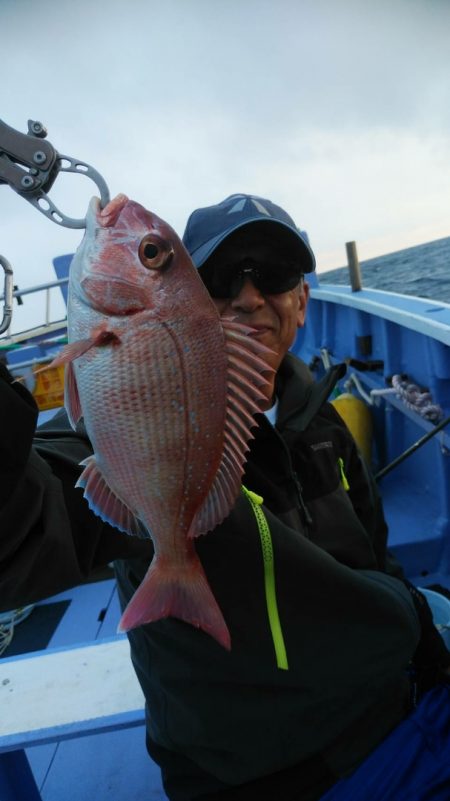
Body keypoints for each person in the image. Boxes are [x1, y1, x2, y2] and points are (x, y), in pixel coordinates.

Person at [0, 193, 449, 801]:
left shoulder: (326, 425)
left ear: (303, 300)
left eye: (273, 274)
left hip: (393, 712)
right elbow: (22, 527)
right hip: (254, 779)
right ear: (196, 304)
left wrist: (414, 623)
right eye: (221, 277)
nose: (248, 295)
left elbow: (376, 557)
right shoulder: (111, 425)